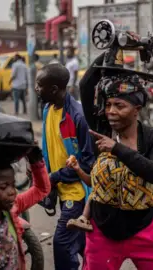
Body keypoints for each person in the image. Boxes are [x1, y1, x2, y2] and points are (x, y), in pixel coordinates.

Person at [77, 64, 153, 269]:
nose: (111, 111)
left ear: (136, 110)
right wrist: (113, 48)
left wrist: (117, 149)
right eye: (109, 104)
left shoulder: (152, 137)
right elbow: (86, 84)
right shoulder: (100, 131)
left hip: (145, 228)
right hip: (102, 232)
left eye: (120, 106)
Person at [35, 63, 95, 270]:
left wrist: (54, 177)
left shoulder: (78, 116)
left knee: (62, 242)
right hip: (61, 188)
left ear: (53, 89)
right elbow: (49, 147)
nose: (36, 88)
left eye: (39, 85)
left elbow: (88, 162)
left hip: (77, 193)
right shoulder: (48, 109)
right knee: (80, 243)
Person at [65, 155, 153, 243]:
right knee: (95, 193)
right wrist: (78, 169)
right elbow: (92, 182)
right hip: (108, 213)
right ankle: (83, 218)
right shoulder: (103, 157)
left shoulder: (141, 151)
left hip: (139, 207)